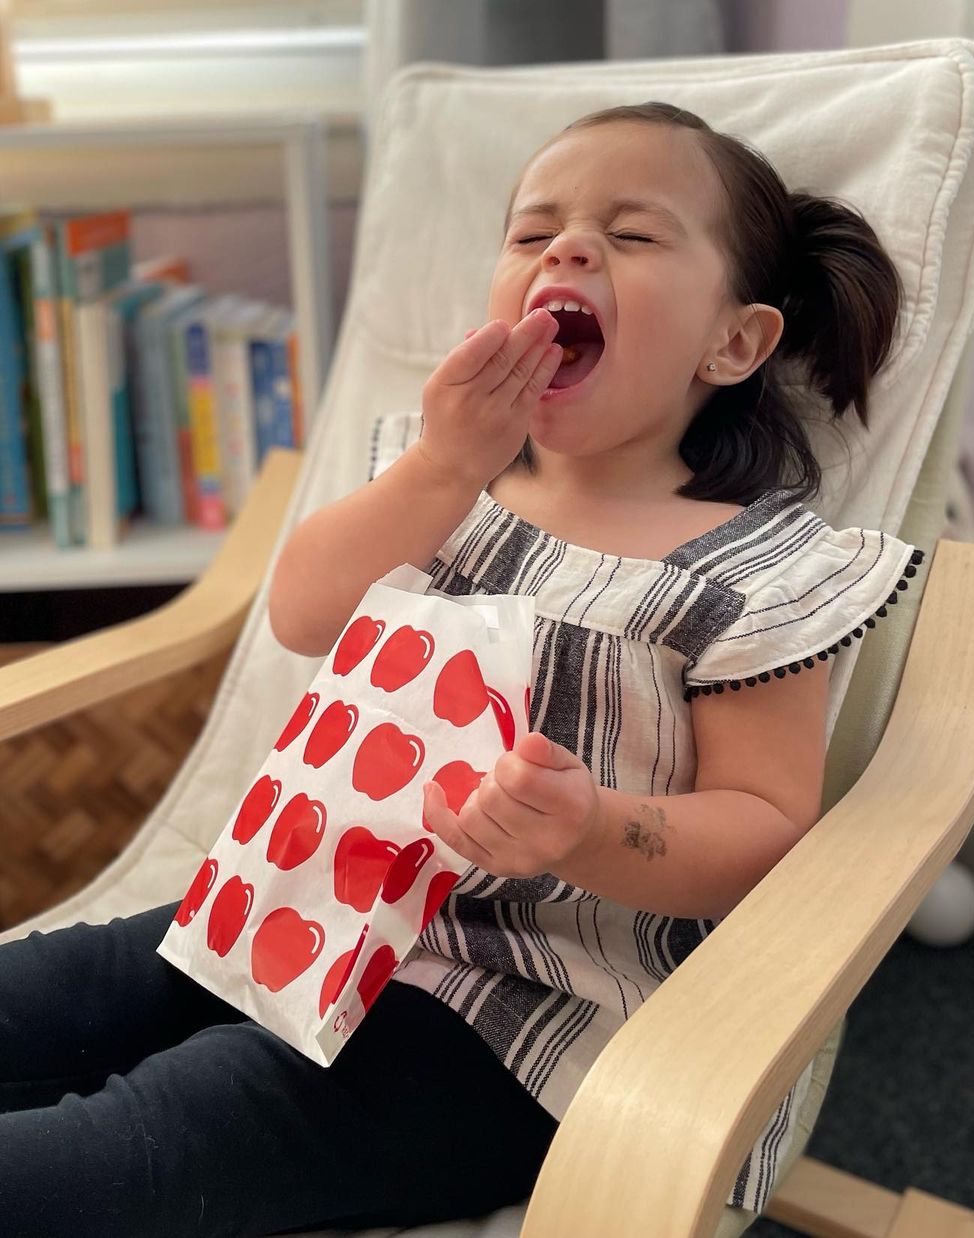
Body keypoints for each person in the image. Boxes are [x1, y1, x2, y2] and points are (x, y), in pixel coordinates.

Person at [0, 102, 922, 1237]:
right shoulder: (439, 481)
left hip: (518, 1019)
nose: (568, 250)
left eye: (632, 236)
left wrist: (592, 829)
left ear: (732, 343)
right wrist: (442, 465)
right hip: (303, 906)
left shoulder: (755, 573)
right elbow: (300, 611)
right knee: (69, 991)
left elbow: (768, 831)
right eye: (534, 235)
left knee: (153, 1137)